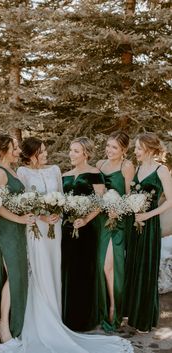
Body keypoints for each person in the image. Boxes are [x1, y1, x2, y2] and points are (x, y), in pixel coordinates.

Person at [0, 136, 133, 353]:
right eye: (42, 151)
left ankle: (57, 318)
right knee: (37, 271)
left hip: (56, 230)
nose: (46, 154)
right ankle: (37, 321)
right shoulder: (22, 174)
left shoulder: (56, 170)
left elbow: (64, 198)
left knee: (55, 270)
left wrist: (61, 214)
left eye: (46, 150)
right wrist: (41, 217)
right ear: (32, 154)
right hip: (36, 228)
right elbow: (23, 202)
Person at [123, 132, 172, 332]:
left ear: (150, 149)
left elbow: (170, 200)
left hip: (149, 225)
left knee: (146, 269)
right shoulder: (139, 168)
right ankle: (131, 315)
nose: (135, 152)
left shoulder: (162, 170)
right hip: (134, 224)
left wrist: (148, 215)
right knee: (133, 267)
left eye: (138, 148)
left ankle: (144, 319)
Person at [0, 134, 34, 348]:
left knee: (19, 275)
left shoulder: (11, 170)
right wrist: (18, 218)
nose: (18, 151)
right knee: (14, 276)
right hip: (8, 229)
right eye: (15, 147)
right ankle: (4, 325)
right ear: (6, 149)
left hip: (18, 229)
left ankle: (16, 323)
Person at [61, 137, 105, 331]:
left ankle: (85, 319)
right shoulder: (65, 175)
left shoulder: (95, 173)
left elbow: (100, 202)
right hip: (67, 229)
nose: (71, 154)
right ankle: (68, 317)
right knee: (68, 270)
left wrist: (86, 219)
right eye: (71, 150)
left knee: (84, 270)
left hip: (87, 230)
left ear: (86, 153)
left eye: (76, 151)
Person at [96, 131, 135, 331]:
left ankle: (114, 309)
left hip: (118, 223)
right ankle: (103, 308)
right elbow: (95, 194)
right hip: (101, 221)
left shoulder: (126, 167)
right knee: (101, 266)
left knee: (110, 267)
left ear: (124, 151)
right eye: (108, 146)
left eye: (114, 148)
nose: (109, 150)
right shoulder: (100, 165)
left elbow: (130, 197)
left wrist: (118, 209)